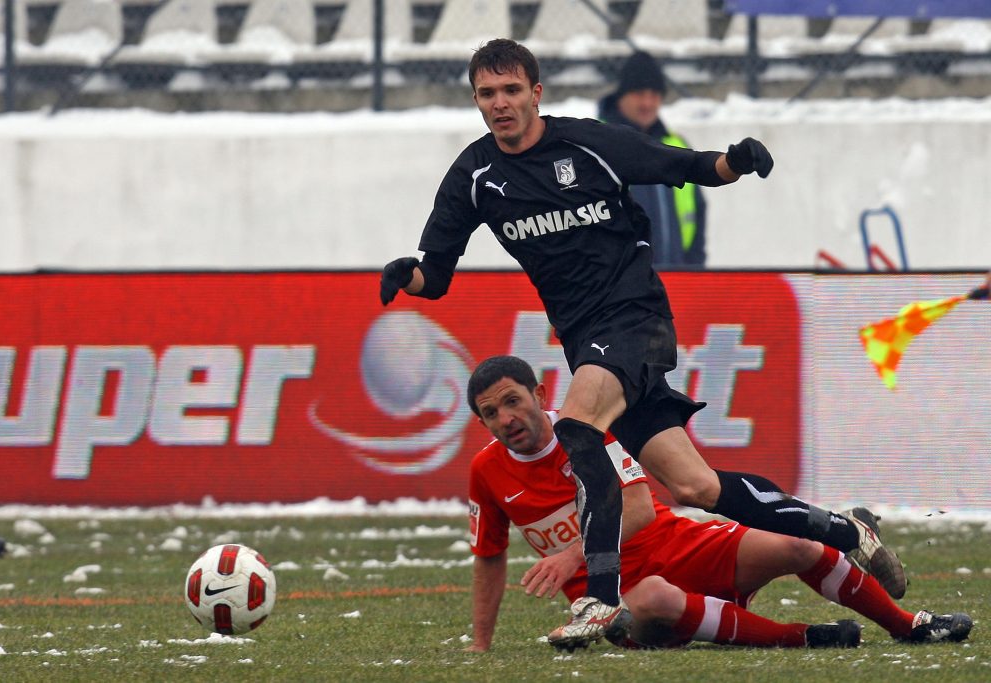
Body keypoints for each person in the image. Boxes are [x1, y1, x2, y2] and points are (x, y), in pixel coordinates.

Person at [379, 38, 904, 650]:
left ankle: (600, 598)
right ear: (476, 99)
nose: (501, 103)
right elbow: (436, 273)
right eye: (488, 94)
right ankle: (846, 532)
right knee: (695, 488)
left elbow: (673, 165)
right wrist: (406, 277)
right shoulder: (473, 176)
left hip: (634, 316)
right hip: (588, 341)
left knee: (576, 428)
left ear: (535, 92)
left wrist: (732, 162)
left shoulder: (584, 143)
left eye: (512, 90)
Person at [465, 356, 972, 652]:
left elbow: (639, 509)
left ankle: (910, 626)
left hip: (677, 544)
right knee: (657, 597)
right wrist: (482, 647)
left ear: (538, 392)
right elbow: (488, 555)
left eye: (513, 401)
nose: (506, 417)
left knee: (795, 547)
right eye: (491, 413)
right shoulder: (486, 472)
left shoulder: (583, 432)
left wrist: (572, 554)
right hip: (621, 602)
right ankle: (804, 637)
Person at [598, 51, 707, 269]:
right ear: (622, 95)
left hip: (675, 280)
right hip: (615, 287)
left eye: (655, 94)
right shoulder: (596, 143)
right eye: (639, 93)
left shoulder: (677, 146)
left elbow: (698, 213)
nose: (648, 103)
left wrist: (694, 271)